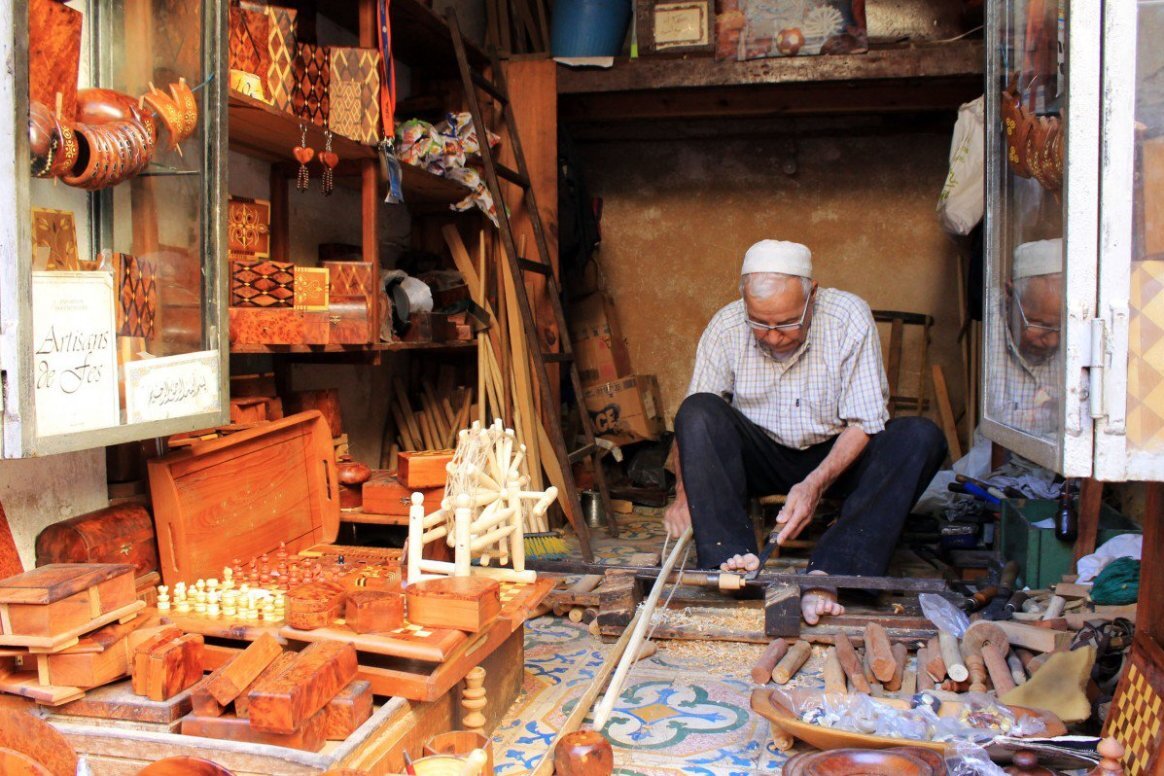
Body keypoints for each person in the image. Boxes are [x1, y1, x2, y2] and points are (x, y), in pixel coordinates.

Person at [663, 240, 947, 624]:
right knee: (697, 409)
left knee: (920, 437)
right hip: (760, 455)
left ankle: (831, 571)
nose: (773, 336)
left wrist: (814, 484)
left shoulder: (848, 317)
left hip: (837, 455)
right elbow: (693, 426)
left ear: (813, 294)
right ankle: (732, 562)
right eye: (760, 323)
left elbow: (864, 422)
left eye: (786, 323)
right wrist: (683, 494)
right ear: (742, 300)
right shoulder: (726, 326)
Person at [986, 238, 1063, 437]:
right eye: (1040, 325)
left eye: (1061, 329)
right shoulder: (992, 317)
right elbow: (999, 425)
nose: (1053, 341)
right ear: (1010, 295)